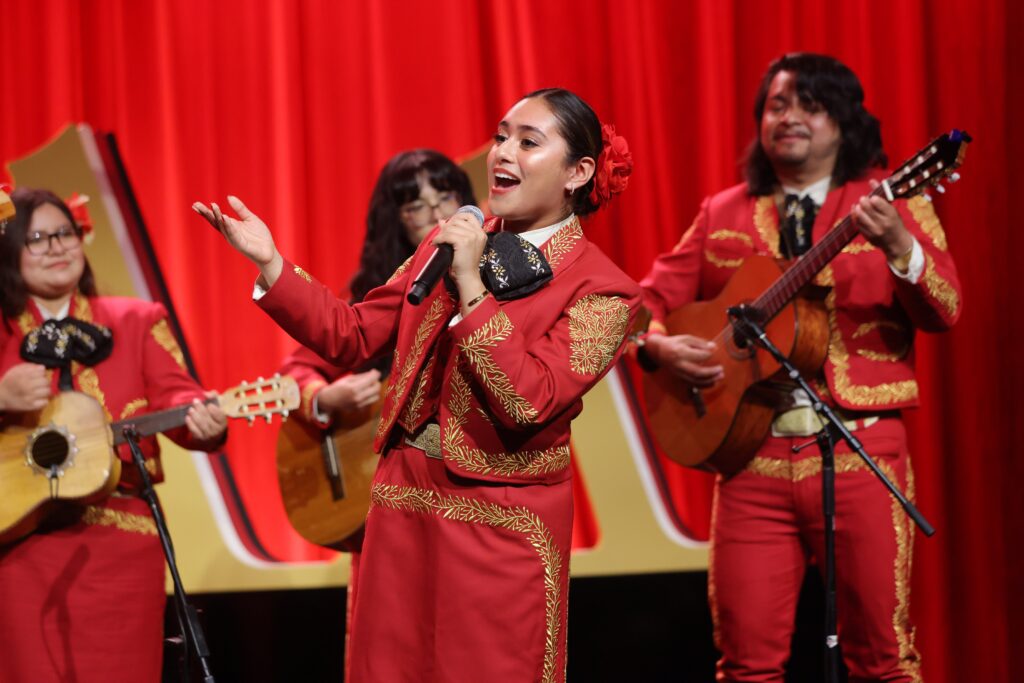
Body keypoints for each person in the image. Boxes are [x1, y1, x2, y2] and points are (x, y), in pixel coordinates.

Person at [196, 87, 640, 683]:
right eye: (502, 135)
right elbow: (351, 336)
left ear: (578, 172)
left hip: (502, 521)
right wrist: (272, 264)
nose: (503, 152)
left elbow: (529, 400)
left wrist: (472, 286)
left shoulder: (603, 289)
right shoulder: (450, 239)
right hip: (402, 500)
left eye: (529, 142)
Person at [638, 53, 962, 681]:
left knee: (885, 660)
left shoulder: (890, 204)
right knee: (745, 668)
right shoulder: (723, 211)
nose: (790, 117)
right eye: (777, 104)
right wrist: (657, 346)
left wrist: (898, 244)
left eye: (810, 105)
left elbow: (945, 309)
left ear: (845, 121)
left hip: (861, 449)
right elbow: (641, 305)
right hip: (750, 462)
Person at [0, 188, 228, 681]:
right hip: (19, 549)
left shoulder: (136, 320)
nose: (57, 247)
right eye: (37, 238)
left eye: (65, 233)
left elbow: (179, 398)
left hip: (121, 548)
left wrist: (206, 422)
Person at [276, 149, 476, 681]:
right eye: (417, 207)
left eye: (446, 198)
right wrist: (325, 399)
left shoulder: (495, 278)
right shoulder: (374, 293)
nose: (436, 216)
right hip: (386, 503)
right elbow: (295, 373)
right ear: (395, 219)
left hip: (471, 498)